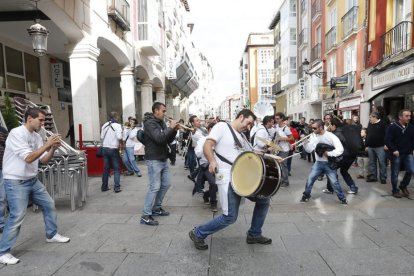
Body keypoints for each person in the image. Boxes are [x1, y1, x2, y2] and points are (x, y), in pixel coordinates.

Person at [189, 109, 273, 250]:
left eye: (251, 124)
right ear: (241, 117)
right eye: (248, 123)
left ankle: (254, 233)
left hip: (242, 178)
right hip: (228, 178)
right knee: (230, 217)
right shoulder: (222, 127)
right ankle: (198, 233)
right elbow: (207, 145)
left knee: (264, 200)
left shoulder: (242, 136)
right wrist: (212, 161)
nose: (249, 126)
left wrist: (270, 156)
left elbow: (251, 154)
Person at [0, 108, 70, 265]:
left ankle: (51, 235)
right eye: (41, 120)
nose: (43, 123)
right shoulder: (16, 133)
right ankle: (3, 251)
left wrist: (52, 148)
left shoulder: (37, 136)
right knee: (17, 215)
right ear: (29, 119)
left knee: (49, 204)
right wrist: (48, 144)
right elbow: (29, 158)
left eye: (44, 120)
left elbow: (43, 160)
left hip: (31, 179)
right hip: (15, 180)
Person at [140, 102, 178, 226]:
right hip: (154, 159)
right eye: (163, 111)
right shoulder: (149, 123)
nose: (165, 113)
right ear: (156, 111)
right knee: (154, 187)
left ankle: (156, 208)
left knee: (166, 184)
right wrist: (170, 127)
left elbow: (168, 139)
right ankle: (145, 215)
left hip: (162, 158)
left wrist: (173, 131)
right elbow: (159, 138)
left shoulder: (161, 122)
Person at [300, 119, 347, 205]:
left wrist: (329, 153)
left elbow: (340, 149)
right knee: (310, 179)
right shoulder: (314, 136)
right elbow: (309, 150)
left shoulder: (331, 136)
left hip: (329, 163)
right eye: (312, 128)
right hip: (318, 162)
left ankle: (342, 198)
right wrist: (305, 142)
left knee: (334, 182)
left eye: (314, 128)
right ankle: (306, 195)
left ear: (321, 127)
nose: (313, 130)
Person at [323, 118, 359, 195]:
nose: (329, 126)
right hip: (352, 155)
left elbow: (332, 146)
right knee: (344, 171)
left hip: (343, 156)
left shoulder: (336, 134)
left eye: (330, 125)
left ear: (334, 126)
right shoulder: (345, 130)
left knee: (331, 169)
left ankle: (330, 188)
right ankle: (353, 187)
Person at [385, 109, 414, 198]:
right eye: (407, 116)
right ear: (400, 117)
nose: (409, 118)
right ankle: (395, 190)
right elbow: (387, 140)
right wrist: (393, 150)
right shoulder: (392, 127)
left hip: (408, 153)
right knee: (395, 173)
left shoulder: (411, 127)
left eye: (410, 116)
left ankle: (403, 185)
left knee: (411, 170)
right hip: (396, 154)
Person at [195, 122, 218, 212]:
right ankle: (213, 203)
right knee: (213, 183)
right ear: (208, 130)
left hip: (219, 166)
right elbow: (197, 153)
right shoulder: (202, 140)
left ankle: (206, 195)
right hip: (206, 165)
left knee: (218, 185)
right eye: (212, 131)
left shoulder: (220, 141)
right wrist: (206, 148)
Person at [101, 111, 123, 193]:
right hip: (113, 149)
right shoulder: (117, 126)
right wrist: (122, 144)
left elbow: (101, 137)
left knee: (106, 168)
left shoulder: (105, 125)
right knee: (117, 169)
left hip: (105, 148)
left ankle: (104, 187)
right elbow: (119, 137)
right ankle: (117, 188)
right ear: (116, 117)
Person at [365, 112, 388, 184]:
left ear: (375, 117)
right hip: (371, 147)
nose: (369, 119)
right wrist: (366, 145)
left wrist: (386, 144)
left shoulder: (383, 123)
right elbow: (367, 134)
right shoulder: (370, 123)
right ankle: (373, 177)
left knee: (382, 163)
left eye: (370, 117)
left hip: (380, 147)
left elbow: (387, 134)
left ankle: (383, 177)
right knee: (372, 163)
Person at [274, 113, 293, 187]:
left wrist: (282, 139)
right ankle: (281, 180)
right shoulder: (277, 127)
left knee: (283, 165)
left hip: (284, 149)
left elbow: (291, 138)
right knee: (279, 165)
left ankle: (286, 181)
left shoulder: (286, 128)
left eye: (278, 118)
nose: (276, 120)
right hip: (278, 148)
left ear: (282, 119)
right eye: (276, 118)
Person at [0, 126, 8, 233]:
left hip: (2, 167)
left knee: (2, 197)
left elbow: (9, 146)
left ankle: (0, 223)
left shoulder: (2, 130)